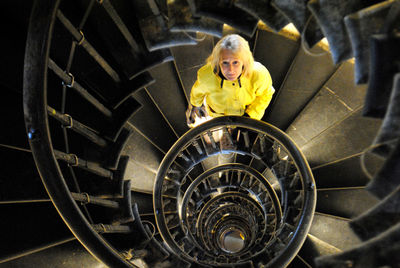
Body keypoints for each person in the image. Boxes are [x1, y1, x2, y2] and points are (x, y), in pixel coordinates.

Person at [186, 34, 275, 128]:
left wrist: (250, 116)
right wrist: (195, 105)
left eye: (235, 62)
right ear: (217, 61)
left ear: (244, 61)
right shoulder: (206, 76)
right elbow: (197, 92)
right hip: (217, 116)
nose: (231, 70)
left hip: (244, 115)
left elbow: (265, 94)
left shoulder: (259, 74)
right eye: (225, 63)